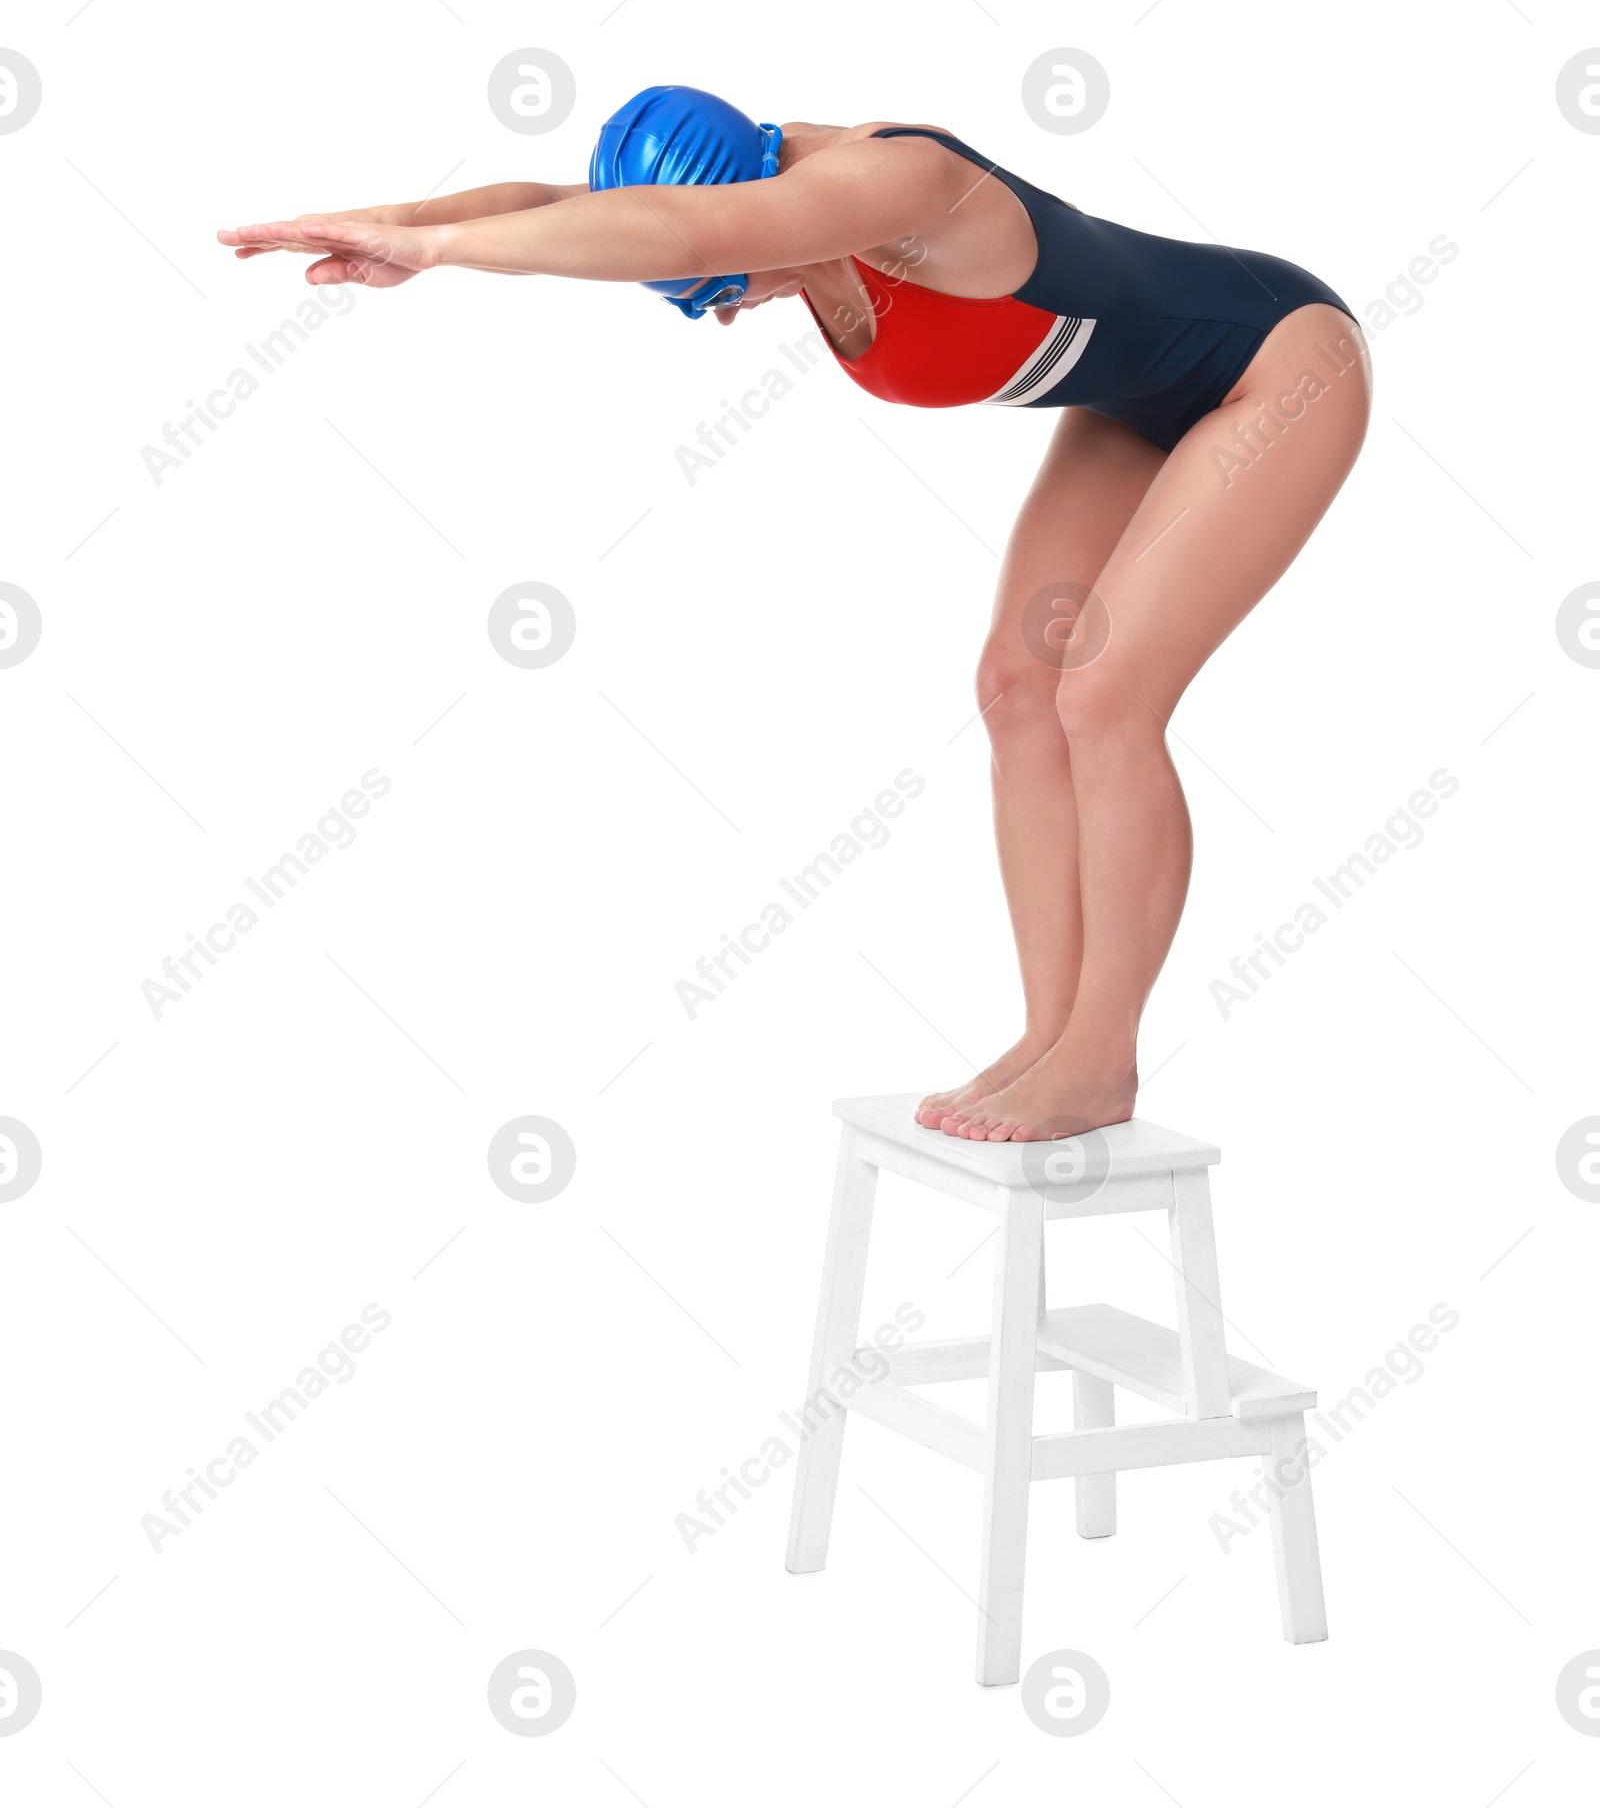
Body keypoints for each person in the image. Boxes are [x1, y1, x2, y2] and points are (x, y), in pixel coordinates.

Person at [219, 83, 1372, 1144]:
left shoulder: (896, 186)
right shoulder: (763, 198)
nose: (727, 313)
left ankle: (1101, 1060)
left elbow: (687, 231)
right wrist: (397, 231)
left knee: (1106, 695)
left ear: (761, 215)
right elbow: (557, 203)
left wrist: (438, 245)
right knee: (1017, 690)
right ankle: (1046, 1037)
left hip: (1278, 364)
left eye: (730, 284)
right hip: (1138, 393)